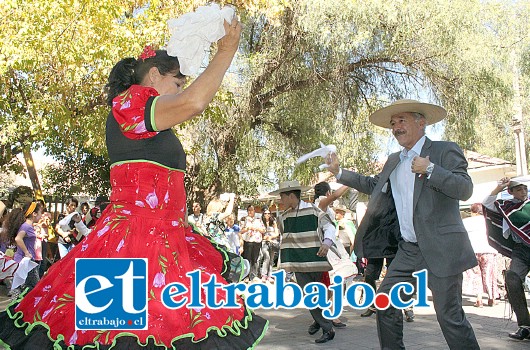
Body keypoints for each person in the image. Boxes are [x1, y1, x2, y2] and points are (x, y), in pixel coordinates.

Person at [0, 17, 267, 349]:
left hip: (161, 242)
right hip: (132, 246)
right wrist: (226, 49)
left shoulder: (146, 117)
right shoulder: (131, 103)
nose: (181, 90)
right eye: (178, 82)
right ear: (154, 75)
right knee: (121, 337)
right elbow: (194, 102)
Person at [326, 99, 479, 349]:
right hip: (409, 249)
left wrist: (430, 168)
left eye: (402, 120)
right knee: (385, 302)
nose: (396, 127)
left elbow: (465, 189)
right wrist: (339, 172)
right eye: (393, 123)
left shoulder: (444, 150)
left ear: (422, 122)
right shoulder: (394, 160)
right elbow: (374, 186)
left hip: (442, 247)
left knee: (449, 317)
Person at [270, 180, 337, 344]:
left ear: (291, 196)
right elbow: (283, 234)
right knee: (310, 295)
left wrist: (327, 243)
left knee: (317, 295)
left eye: (282, 197)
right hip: (298, 263)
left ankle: (319, 321)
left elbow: (329, 226)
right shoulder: (283, 216)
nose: (281, 201)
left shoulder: (314, 210)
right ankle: (327, 328)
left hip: (316, 260)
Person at [482, 177, 530, 340]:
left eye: (524, 189)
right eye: (518, 189)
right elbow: (487, 203)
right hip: (521, 249)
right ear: (510, 192)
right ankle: (525, 326)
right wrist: (499, 187)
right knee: (512, 277)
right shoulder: (506, 207)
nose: (523, 192)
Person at [1, 201, 45, 298]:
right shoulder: (26, 226)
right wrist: (26, 252)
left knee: (24, 286)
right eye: (40, 213)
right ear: (34, 214)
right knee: (33, 287)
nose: (41, 215)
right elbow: (18, 238)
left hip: (25, 260)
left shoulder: (27, 226)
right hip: (25, 260)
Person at [462, 203, 499, 308]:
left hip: (472, 251)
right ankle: (491, 298)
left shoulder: (466, 222)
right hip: (489, 250)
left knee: (475, 275)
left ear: (473, 212)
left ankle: (479, 299)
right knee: (489, 275)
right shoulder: (489, 221)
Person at [240, 205, 265, 281]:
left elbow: (263, 230)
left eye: (252, 210)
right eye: (249, 210)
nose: (251, 211)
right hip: (248, 241)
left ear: (254, 211)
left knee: (255, 259)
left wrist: (257, 228)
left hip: (257, 241)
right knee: (247, 259)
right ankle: (246, 276)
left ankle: (253, 276)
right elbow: (240, 231)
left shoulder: (258, 219)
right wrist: (248, 228)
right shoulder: (244, 219)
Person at [260, 208, 279, 283]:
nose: (267, 215)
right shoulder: (261, 222)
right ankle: (264, 275)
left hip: (272, 242)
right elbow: (260, 234)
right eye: (265, 213)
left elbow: (277, 233)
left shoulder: (273, 222)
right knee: (266, 257)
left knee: (271, 259)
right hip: (264, 242)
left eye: (268, 213)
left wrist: (271, 237)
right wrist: (266, 238)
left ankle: (269, 275)